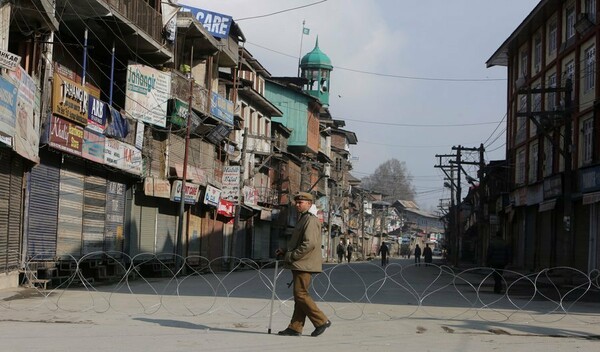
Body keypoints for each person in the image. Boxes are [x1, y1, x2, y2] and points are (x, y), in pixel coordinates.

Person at [275, 192, 331, 337]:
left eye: (301, 202)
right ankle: (295, 327)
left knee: (301, 294)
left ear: (309, 203)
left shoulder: (311, 220)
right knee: (299, 295)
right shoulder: (303, 218)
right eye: (297, 202)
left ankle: (321, 320)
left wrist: (292, 256)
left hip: (304, 263)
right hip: (301, 263)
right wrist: (285, 250)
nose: (297, 205)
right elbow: (298, 242)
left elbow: (309, 243)